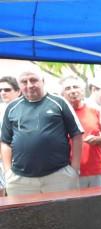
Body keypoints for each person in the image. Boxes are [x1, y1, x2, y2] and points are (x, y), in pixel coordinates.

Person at [1, 66, 82, 196]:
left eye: (34, 80)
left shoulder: (59, 102)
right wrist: (7, 172)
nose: (29, 85)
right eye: (24, 82)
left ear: (43, 81)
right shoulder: (12, 107)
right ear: (19, 85)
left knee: (64, 215)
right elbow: (5, 141)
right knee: (23, 216)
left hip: (59, 176)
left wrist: (75, 168)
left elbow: (76, 134)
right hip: (20, 180)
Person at [60, 75, 101, 188]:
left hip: (97, 171)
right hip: (71, 172)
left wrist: (98, 139)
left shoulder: (94, 111)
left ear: (83, 91)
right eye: (68, 88)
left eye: (76, 87)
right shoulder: (60, 116)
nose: (73, 91)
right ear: (62, 94)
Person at [0, 76, 21, 195]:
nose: (2, 93)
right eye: (0, 90)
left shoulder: (26, 108)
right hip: (3, 162)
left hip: (21, 162)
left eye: (7, 90)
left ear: (18, 91)